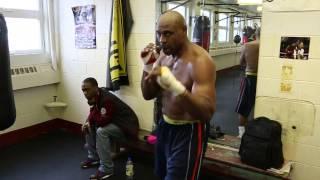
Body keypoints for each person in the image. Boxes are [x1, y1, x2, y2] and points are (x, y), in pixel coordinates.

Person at [140, 11, 216, 180]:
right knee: (161, 175)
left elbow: (206, 113)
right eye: (159, 34)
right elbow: (147, 94)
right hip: (165, 126)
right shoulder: (163, 57)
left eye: (168, 33)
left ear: (184, 30)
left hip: (189, 132)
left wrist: (175, 87)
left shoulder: (200, 61)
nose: (162, 40)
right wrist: (147, 67)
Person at [80, 77, 139, 180]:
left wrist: (91, 121)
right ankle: (94, 157)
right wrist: (88, 122)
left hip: (128, 127)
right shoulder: (96, 95)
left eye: (87, 89)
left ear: (95, 88)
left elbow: (103, 122)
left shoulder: (107, 100)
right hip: (116, 123)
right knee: (88, 125)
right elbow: (93, 112)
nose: (85, 93)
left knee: (101, 131)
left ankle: (107, 169)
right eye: (83, 90)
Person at [235, 27, 260, 138]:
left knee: (244, 107)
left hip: (250, 77)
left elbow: (241, 62)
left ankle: (241, 134)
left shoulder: (248, 45)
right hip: (265, 79)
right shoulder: (270, 47)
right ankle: (260, 133)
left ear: (256, 34)